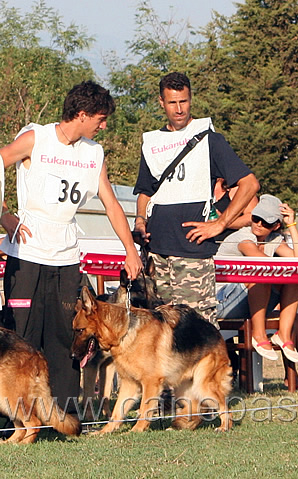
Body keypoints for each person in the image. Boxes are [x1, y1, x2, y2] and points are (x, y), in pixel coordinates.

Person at [0, 80, 143, 410]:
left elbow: (111, 204)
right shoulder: (35, 138)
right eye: (101, 119)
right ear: (82, 114)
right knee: (21, 337)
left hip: (66, 259)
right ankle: (17, 416)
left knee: (66, 336)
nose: (103, 126)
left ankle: (63, 412)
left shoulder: (94, 153)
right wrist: (4, 214)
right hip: (27, 256)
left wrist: (130, 249)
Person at [133, 72, 259, 325]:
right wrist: (139, 220)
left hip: (192, 254)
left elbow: (250, 184)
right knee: (161, 339)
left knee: (199, 336)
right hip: (155, 254)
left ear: (191, 99)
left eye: (184, 102)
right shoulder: (152, 143)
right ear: (161, 102)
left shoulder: (210, 139)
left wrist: (221, 223)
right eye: (172, 103)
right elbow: (146, 191)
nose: (179, 109)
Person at [216, 194, 298, 390]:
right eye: (256, 218)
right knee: (260, 276)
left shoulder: (274, 238)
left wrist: (292, 226)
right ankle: (259, 335)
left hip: (252, 300)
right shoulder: (243, 237)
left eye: (266, 221)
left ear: (276, 226)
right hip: (225, 302)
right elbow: (259, 261)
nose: (258, 224)